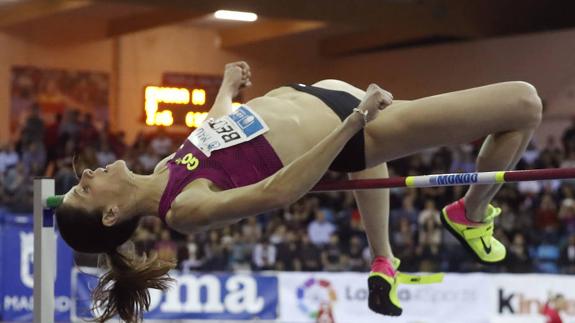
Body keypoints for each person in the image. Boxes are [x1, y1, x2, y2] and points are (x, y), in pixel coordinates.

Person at [54, 61, 542, 322]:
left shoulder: (165, 167)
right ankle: (472, 213)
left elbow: (219, 127)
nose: (87, 176)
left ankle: (384, 259)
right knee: (523, 103)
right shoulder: (181, 208)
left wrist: (225, 87)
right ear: (111, 214)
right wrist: (353, 123)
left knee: (376, 165)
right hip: (360, 124)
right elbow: (276, 193)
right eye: (84, 191)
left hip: (328, 96)